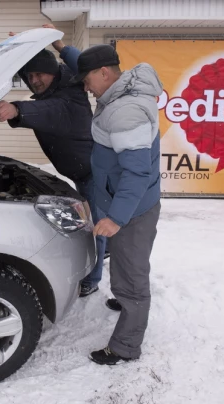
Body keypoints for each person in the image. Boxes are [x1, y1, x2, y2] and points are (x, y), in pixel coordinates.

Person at [0, 26, 107, 298]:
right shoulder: (48, 80)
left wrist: (18, 109)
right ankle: (102, 252)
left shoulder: (71, 96)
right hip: (78, 171)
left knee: (97, 225)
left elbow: (51, 111)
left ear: (53, 72)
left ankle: (94, 277)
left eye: (39, 75)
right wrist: (23, 47)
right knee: (90, 220)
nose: (34, 81)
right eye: (29, 76)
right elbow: (34, 74)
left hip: (94, 172)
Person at [69, 44, 163, 365]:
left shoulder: (126, 113)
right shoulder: (118, 92)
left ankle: (125, 347)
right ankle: (126, 301)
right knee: (124, 266)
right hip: (127, 199)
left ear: (104, 73)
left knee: (132, 276)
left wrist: (116, 218)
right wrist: (62, 47)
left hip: (133, 208)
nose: (85, 86)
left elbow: (137, 172)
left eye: (87, 79)